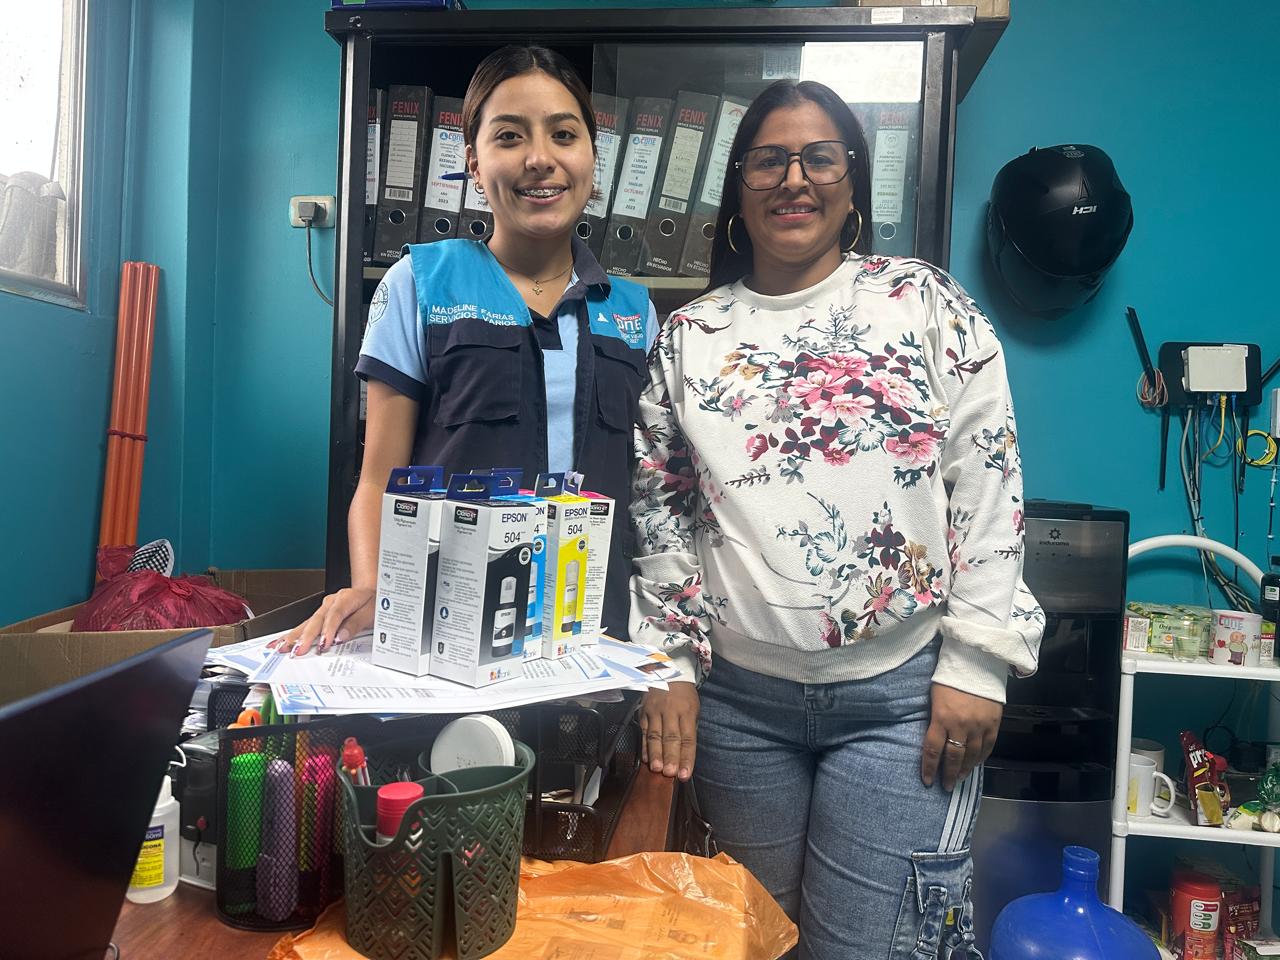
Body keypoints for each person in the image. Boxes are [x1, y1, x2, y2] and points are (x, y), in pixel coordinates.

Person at [629, 79, 1045, 959]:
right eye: (769, 161)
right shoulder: (689, 336)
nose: (795, 179)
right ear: (739, 187)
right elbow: (662, 512)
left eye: (820, 158)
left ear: (853, 183)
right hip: (737, 708)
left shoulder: (924, 302)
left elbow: (989, 482)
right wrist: (668, 667)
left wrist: (978, 663)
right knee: (755, 946)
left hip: (902, 703)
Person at [276, 46, 656, 655]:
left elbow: (652, 496)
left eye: (563, 134)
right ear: (474, 162)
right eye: (509, 136)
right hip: (453, 634)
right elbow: (378, 478)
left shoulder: (635, 312)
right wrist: (374, 588)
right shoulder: (419, 283)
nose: (540, 158)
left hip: (596, 634)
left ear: (592, 155)